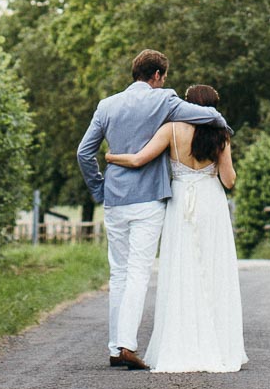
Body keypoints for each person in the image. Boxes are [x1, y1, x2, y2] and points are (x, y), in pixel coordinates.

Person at [76, 50, 232, 371]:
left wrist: (98, 188)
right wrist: (222, 126)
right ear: (158, 76)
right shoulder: (165, 101)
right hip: (147, 199)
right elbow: (210, 117)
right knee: (137, 271)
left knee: (118, 272)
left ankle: (114, 346)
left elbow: (84, 152)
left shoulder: (107, 106)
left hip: (114, 198)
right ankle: (127, 345)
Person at [105, 83, 246, 372]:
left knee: (181, 269)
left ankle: (180, 343)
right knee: (213, 269)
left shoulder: (171, 129)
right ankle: (219, 344)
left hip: (181, 201)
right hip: (210, 203)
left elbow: (138, 159)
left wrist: (110, 157)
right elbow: (229, 181)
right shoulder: (221, 134)